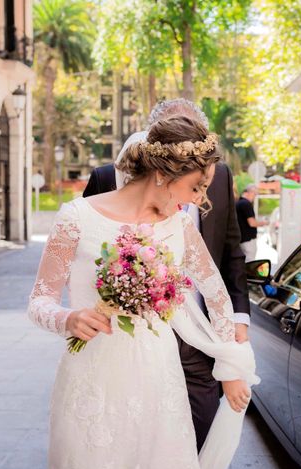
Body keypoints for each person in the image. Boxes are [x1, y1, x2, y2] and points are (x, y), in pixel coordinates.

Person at [28, 116, 257, 469]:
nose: (199, 200)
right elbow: (39, 300)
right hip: (91, 377)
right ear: (164, 174)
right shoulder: (76, 217)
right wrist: (68, 319)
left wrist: (229, 366)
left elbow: (216, 295)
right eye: (196, 187)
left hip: (157, 378)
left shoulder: (179, 225)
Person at [83, 98, 250, 450]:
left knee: (201, 419)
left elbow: (231, 253)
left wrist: (236, 328)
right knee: (132, 431)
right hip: (127, 333)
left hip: (198, 330)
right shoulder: (104, 179)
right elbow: (84, 261)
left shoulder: (218, 177)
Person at [236, 184, 268, 262]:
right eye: (254, 194)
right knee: (250, 262)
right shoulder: (246, 204)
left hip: (242, 239)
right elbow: (252, 223)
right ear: (249, 192)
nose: (254, 197)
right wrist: (264, 223)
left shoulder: (238, 203)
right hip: (248, 240)